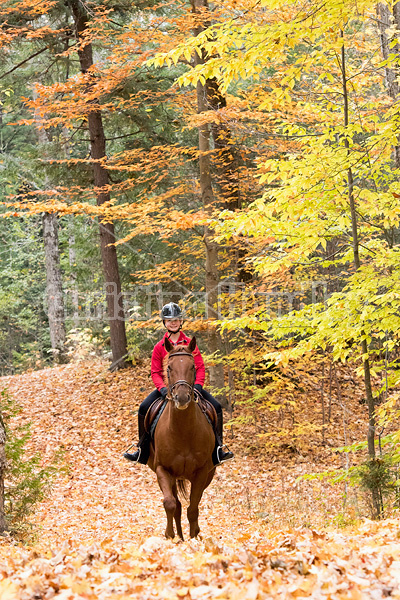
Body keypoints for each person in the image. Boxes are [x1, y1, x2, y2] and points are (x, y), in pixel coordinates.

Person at [123, 302, 234, 466]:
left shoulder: (190, 344)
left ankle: (218, 449)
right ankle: (142, 450)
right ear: (164, 323)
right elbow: (155, 372)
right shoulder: (159, 347)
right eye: (169, 320)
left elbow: (200, 367)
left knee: (216, 407)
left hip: (190, 388)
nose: (173, 322)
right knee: (144, 407)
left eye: (175, 319)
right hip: (167, 389)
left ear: (181, 321)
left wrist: (197, 386)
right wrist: (161, 389)